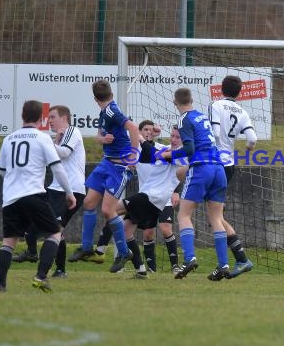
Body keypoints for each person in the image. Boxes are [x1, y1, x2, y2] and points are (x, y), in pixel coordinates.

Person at [0, 100, 76, 293]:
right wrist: (69, 193)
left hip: (11, 198)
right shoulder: (42, 138)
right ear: (42, 118)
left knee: (8, 243)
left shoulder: (9, 139)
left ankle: (0, 286)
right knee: (55, 233)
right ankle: (40, 276)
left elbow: (2, 171)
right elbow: (57, 167)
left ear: (22, 116)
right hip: (33, 194)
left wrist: (15, 180)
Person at [68, 79, 140, 273]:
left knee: (108, 211)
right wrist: (103, 138)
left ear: (94, 98)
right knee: (89, 203)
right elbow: (99, 136)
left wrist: (133, 156)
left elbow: (133, 128)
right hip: (106, 163)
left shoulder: (112, 111)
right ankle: (86, 248)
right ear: (111, 94)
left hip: (119, 167)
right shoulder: (104, 112)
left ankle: (124, 253)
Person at [160, 87, 230, 281]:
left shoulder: (184, 119)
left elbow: (190, 149)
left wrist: (170, 154)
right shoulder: (202, 116)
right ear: (191, 99)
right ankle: (223, 264)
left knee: (184, 214)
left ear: (175, 102)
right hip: (219, 168)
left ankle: (189, 258)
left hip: (202, 168)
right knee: (216, 218)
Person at [12, 105, 86, 278]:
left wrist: (50, 143)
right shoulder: (57, 138)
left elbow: (64, 153)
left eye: (52, 117)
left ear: (64, 118)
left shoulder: (72, 131)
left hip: (71, 190)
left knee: (54, 229)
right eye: (48, 117)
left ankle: (54, 268)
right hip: (54, 189)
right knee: (35, 221)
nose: (49, 120)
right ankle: (37, 256)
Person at [117, 123, 188, 278]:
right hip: (145, 196)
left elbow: (160, 158)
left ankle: (103, 250)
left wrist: (175, 192)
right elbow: (146, 153)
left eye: (178, 137)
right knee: (143, 232)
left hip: (159, 199)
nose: (174, 139)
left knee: (165, 229)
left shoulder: (176, 153)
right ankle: (146, 269)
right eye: (173, 136)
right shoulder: (143, 150)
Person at [209, 75, 257, 278]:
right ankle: (240, 258)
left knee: (214, 216)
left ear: (221, 89)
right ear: (239, 92)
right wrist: (246, 149)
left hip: (214, 163)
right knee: (217, 216)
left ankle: (238, 259)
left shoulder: (215, 105)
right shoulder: (243, 112)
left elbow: (216, 132)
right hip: (229, 165)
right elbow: (252, 139)